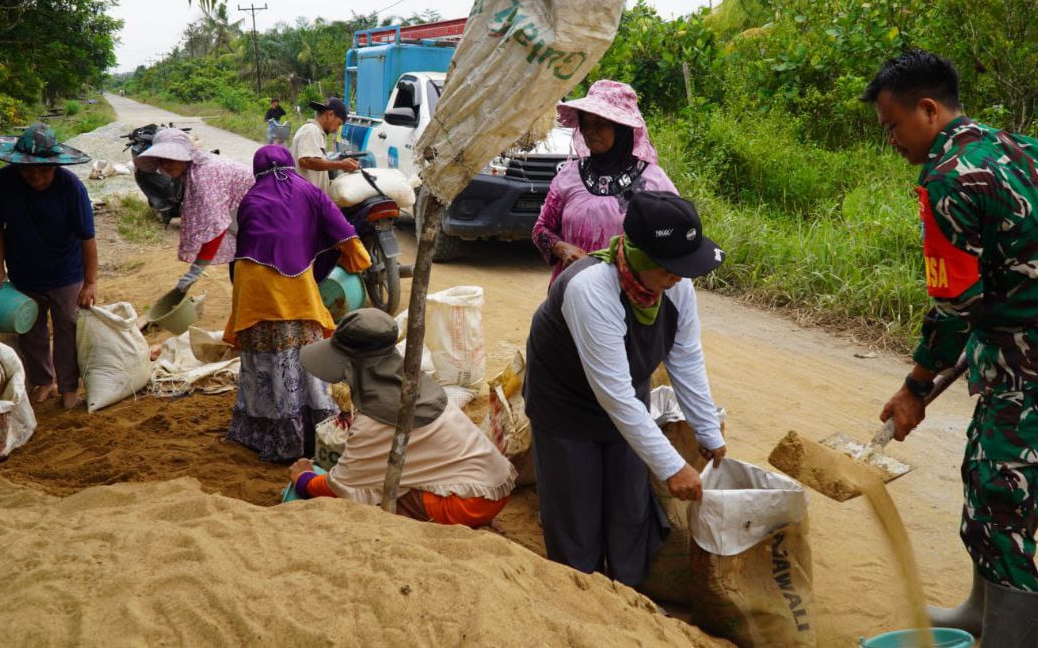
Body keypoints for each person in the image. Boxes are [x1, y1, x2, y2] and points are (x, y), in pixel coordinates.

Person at [861, 50, 1038, 645]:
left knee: (1002, 508)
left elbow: (955, 309)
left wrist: (915, 388)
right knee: (985, 475)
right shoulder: (1011, 145)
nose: (892, 139)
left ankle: (1009, 638)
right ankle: (982, 614)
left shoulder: (950, 179)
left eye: (893, 125)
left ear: (928, 109)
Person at [524, 190, 726, 587]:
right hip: (565, 403)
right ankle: (579, 599)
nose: (679, 279)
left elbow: (684, 359)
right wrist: (672, 466)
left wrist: (708, 431)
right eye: (670, 269)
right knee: (576, 513)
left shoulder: (674, 287)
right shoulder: (590, 290)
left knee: (629, 508)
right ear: (640, 258)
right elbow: (613, 394)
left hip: (625, 397)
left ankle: (627, 601)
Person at [292, 308, 515, 526]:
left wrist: (304, 479)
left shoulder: (374, 421)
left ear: (352, 369)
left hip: (468, 502)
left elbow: (340, 487)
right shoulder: (417, 386)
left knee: (375, 500)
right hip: (492, 485)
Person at [224, 145, 372, 462]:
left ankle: (258, 433)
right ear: (290, 165)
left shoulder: (251, 198)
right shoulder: (310, 191)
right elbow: (347, 237)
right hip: (295, 286)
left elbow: (240, 248)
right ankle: (309, 431)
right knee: (300, 354)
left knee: (264, 360)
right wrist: (354, 260)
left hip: (253, 288)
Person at [0, 124, 98, 409]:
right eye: (28, 170)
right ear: (17, 164)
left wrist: (90, 282)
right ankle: (44, 380)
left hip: (66, 271)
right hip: (23, 270)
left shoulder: (72, 187)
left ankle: (69, 386)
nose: (36, 176)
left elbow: (87, 237)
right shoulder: (1, 182)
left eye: (44, 170)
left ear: (55, 165)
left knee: (67, 328)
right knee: (30, 329)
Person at [533, 80, 677, 282]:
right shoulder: (569, 176)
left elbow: (673, 235)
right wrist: (561, 248)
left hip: (628, 299)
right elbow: (541, 229)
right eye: (586, 122)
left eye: (600, 123)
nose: (590, 131)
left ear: (622, 128)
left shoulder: (654, 181)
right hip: (569, 293)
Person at [134, 128, 255, 291]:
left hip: (266, 221)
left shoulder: (204, 174)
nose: (164, 165)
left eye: (169, 158)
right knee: (241, 276)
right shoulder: (192, 170)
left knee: (250, 278)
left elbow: (215, 226)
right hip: (244, 221)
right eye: (160, 160)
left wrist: (197, 269)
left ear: (184, 155)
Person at [290, 97, 360, 192]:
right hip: (304, 198)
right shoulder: (311, 130)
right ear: (330, 115)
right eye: (339, 123)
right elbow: (306, 161)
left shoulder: (316, 132)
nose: (337, 129)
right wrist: (341, 164)